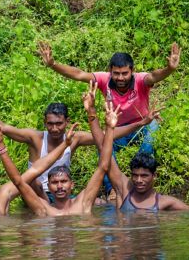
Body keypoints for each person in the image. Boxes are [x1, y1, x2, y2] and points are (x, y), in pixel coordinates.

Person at [0, 83, 156, 202]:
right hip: (37, 193)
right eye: (50, 124)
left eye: (59, 124)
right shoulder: (35, 138)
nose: (55, 128)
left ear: (66, 122)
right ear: (45, 123)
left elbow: (106, 135)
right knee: (33, 181)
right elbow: (1, 126)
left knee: (99, 204)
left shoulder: (74, 138)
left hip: (62, 191)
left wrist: (141, 123)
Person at [38, 41, 179, 195]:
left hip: (141, 126)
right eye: (116, 73)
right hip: (117, 130)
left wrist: (169, 69)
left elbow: (154, 76)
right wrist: (53, 64)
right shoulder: (104, 79)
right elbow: (78, 74)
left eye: (125, 73)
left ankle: (140, 175)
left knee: (152, 128)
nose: (120, 78)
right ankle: (111, 189)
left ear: (132, 71)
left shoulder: (140, 80)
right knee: (103, 146)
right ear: (110, 71)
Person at [0, 98, 119, 216]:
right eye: (55, 183)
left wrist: (109, 127)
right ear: (49, 187)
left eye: (63, 182)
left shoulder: (83, 204)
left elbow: (103, 166)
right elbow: (18, 181)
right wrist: (1, 148)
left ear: (72, 185)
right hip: (40, 195)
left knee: (101, 202)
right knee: (31, 180)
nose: (60, 186)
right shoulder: (44, 209)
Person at [83, 83, 189, 211]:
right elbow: (101, 146)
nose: (138, 180)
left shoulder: (165, 202)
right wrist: (91, 112)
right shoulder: (123, 190)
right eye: (135, 175)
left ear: (155, 176)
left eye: (144, 176)